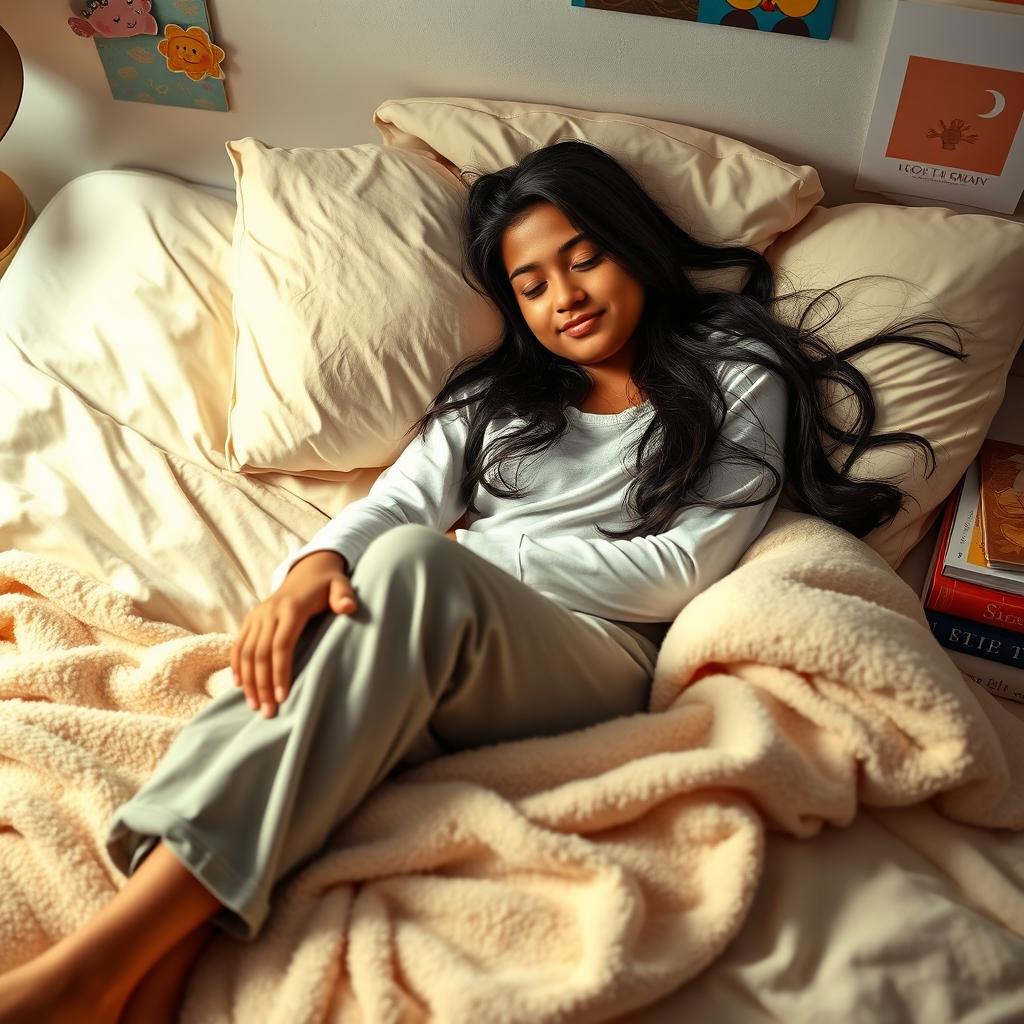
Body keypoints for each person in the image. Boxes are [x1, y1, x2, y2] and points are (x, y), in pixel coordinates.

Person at [0, 140, 964, 1023]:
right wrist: (317, 568)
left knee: (413, 570)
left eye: (583, 258)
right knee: (307, 642)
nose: (564, 298)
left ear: (633, 248)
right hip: (438, 631)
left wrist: (472, 556)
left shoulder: (735, 371)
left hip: (595, 654)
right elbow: (397, 503)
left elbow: (680, 567)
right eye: (531, 283)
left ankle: (91, 966)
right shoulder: (495, 397)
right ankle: (162, 955)